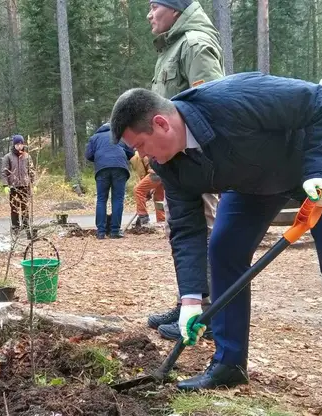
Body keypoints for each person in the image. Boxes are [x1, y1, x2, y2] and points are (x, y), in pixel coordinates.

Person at [109, 72, 322, 416]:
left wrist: (321, 170)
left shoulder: (231, 98)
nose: (143, 158)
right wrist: (190, 299)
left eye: (140, 147)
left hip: (319, 166)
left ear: (161, 124)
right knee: (224, 251)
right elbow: (188, 232)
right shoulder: (171, 166)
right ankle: (228, 364)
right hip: (255, 183)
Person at [145, 0, 226, 342]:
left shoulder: (193, 43)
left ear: (174, 9)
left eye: (153, 7)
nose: (149, 15)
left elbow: (212, 101)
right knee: (180, 231)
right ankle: (188, 302)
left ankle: (206, 311)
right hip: (176, 163)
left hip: (197, 161)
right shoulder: (172, 46)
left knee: (203, 229)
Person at [85, 123, 133, 239]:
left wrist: (99, 158)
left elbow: (88, 155)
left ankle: (101, 232)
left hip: (102, 169)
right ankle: (115, 231)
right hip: (120, 168)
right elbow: (131, 152)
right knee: (118, 199)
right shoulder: (121, 136)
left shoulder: (95, 138)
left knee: (101, 199)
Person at [1, 135, 35, 234]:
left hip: (25, 185)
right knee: (14, 207)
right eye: (17, 144)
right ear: (14, 145)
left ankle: (26, 225)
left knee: (25, 207)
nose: (19, 146)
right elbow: (4, 172)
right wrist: (5, 185)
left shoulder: (27, 156)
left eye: (21, 144)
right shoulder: (8, 157)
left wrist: (34, 184)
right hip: (13, 187)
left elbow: (31, 171)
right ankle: (15, 227)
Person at [129, 151, 166, 227]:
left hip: (154, 173)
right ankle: (161, 220)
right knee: (159, 198)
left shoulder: (134, 158)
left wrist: (147, 192)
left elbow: (142, 174)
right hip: (163, 172)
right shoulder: (144, 152)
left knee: (138, 190)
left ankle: (143, 217)